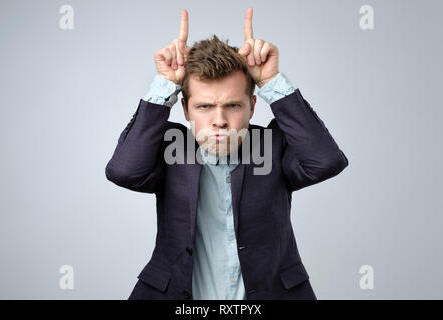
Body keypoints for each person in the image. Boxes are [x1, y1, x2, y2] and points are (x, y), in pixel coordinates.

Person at [105, 7, 349, 300]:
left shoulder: (273, 145)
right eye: (204, 106)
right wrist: (166, 85)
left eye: (233, 105)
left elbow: (325, 161)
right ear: (185, 109)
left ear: (252, 107)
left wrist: (272, 82)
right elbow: (124, 171)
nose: (219, 120)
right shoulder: (171, 149)